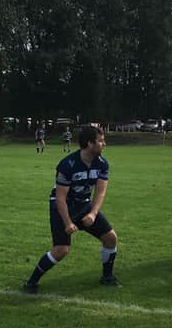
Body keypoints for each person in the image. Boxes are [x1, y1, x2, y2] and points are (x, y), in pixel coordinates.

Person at [23, 126, 119, 293]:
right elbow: (60, 198)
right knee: (61, 250)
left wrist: (93, 213)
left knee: (110, 238)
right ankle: (31, 282)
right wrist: (68, 222)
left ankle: (107, 277)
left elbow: (101, 191)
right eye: (101, 141)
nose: (105, 144)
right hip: (62, 207)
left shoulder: (102, 164)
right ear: (90, 143)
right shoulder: (67, 164)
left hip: (84, 205)